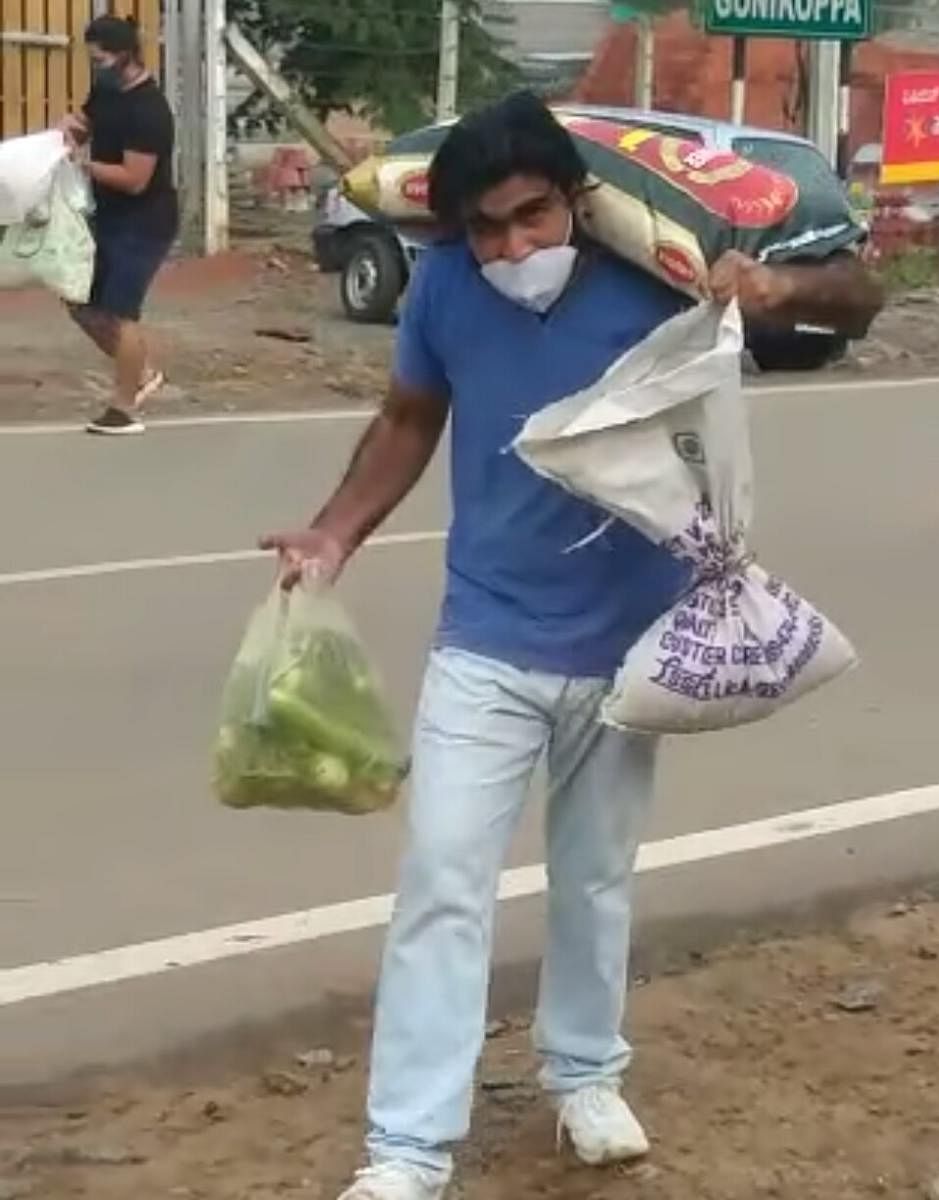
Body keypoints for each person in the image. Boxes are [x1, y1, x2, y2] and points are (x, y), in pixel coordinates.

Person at [262, 92, 883, 1200]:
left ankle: (585, 1075)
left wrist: (772, 286)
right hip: (487, 634)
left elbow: (858, 294)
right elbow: (411, 417)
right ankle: (407, 1148)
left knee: (594, 878)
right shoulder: (449, 284)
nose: (512, 248)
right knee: (444, 880)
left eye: (531, 218)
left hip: (629, 642)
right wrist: (332, 532)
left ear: (575, 198)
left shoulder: (664, 272)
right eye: (486, 228)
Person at [60, 15, 177, 436]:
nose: (97, 66)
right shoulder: (107, 91)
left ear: (125, 55)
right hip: (106, 216)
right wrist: (65, 132)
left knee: (121, 312)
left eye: (101, 58)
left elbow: (134, 179)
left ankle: (124, 409)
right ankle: (142, 373)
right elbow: (85, 121)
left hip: (145, 221)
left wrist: (83, 164)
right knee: (79, 303)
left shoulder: (150, 111)